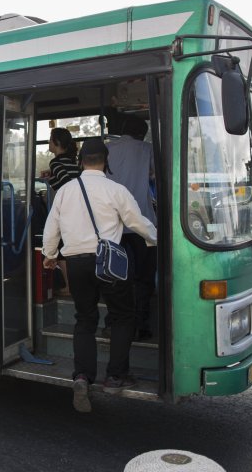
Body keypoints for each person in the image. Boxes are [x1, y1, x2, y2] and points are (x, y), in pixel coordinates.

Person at [42, 138, 156, 413]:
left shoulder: (66, 191)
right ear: (106, 161)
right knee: (121, 316)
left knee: (85, 319)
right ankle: (115, 377)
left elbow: (51, 226)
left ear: (81, 161)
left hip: (76, 263)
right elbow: (136, 222)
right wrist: (155, 240)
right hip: (108, 262)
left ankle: (82, 376)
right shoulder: (116, 189)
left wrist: (49, 254)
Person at [106, 115, 158, 341]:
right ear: (142, 133)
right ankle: (142, 325)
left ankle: (114, 323)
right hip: (141, 224)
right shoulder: (147, 149)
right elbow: (155, 175)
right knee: (143, 279)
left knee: (114, 277)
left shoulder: (108, 148)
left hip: (112, 226)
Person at [41, 128, 81, 295]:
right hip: (78, 209)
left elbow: (66, 184)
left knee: (63, 249)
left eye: (50, 140)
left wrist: (52, 181)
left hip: (67, 210)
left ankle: (68, 287)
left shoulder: (56, 162)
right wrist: (51, 178)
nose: (49, 143)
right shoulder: (73, 161)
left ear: (56, 143)